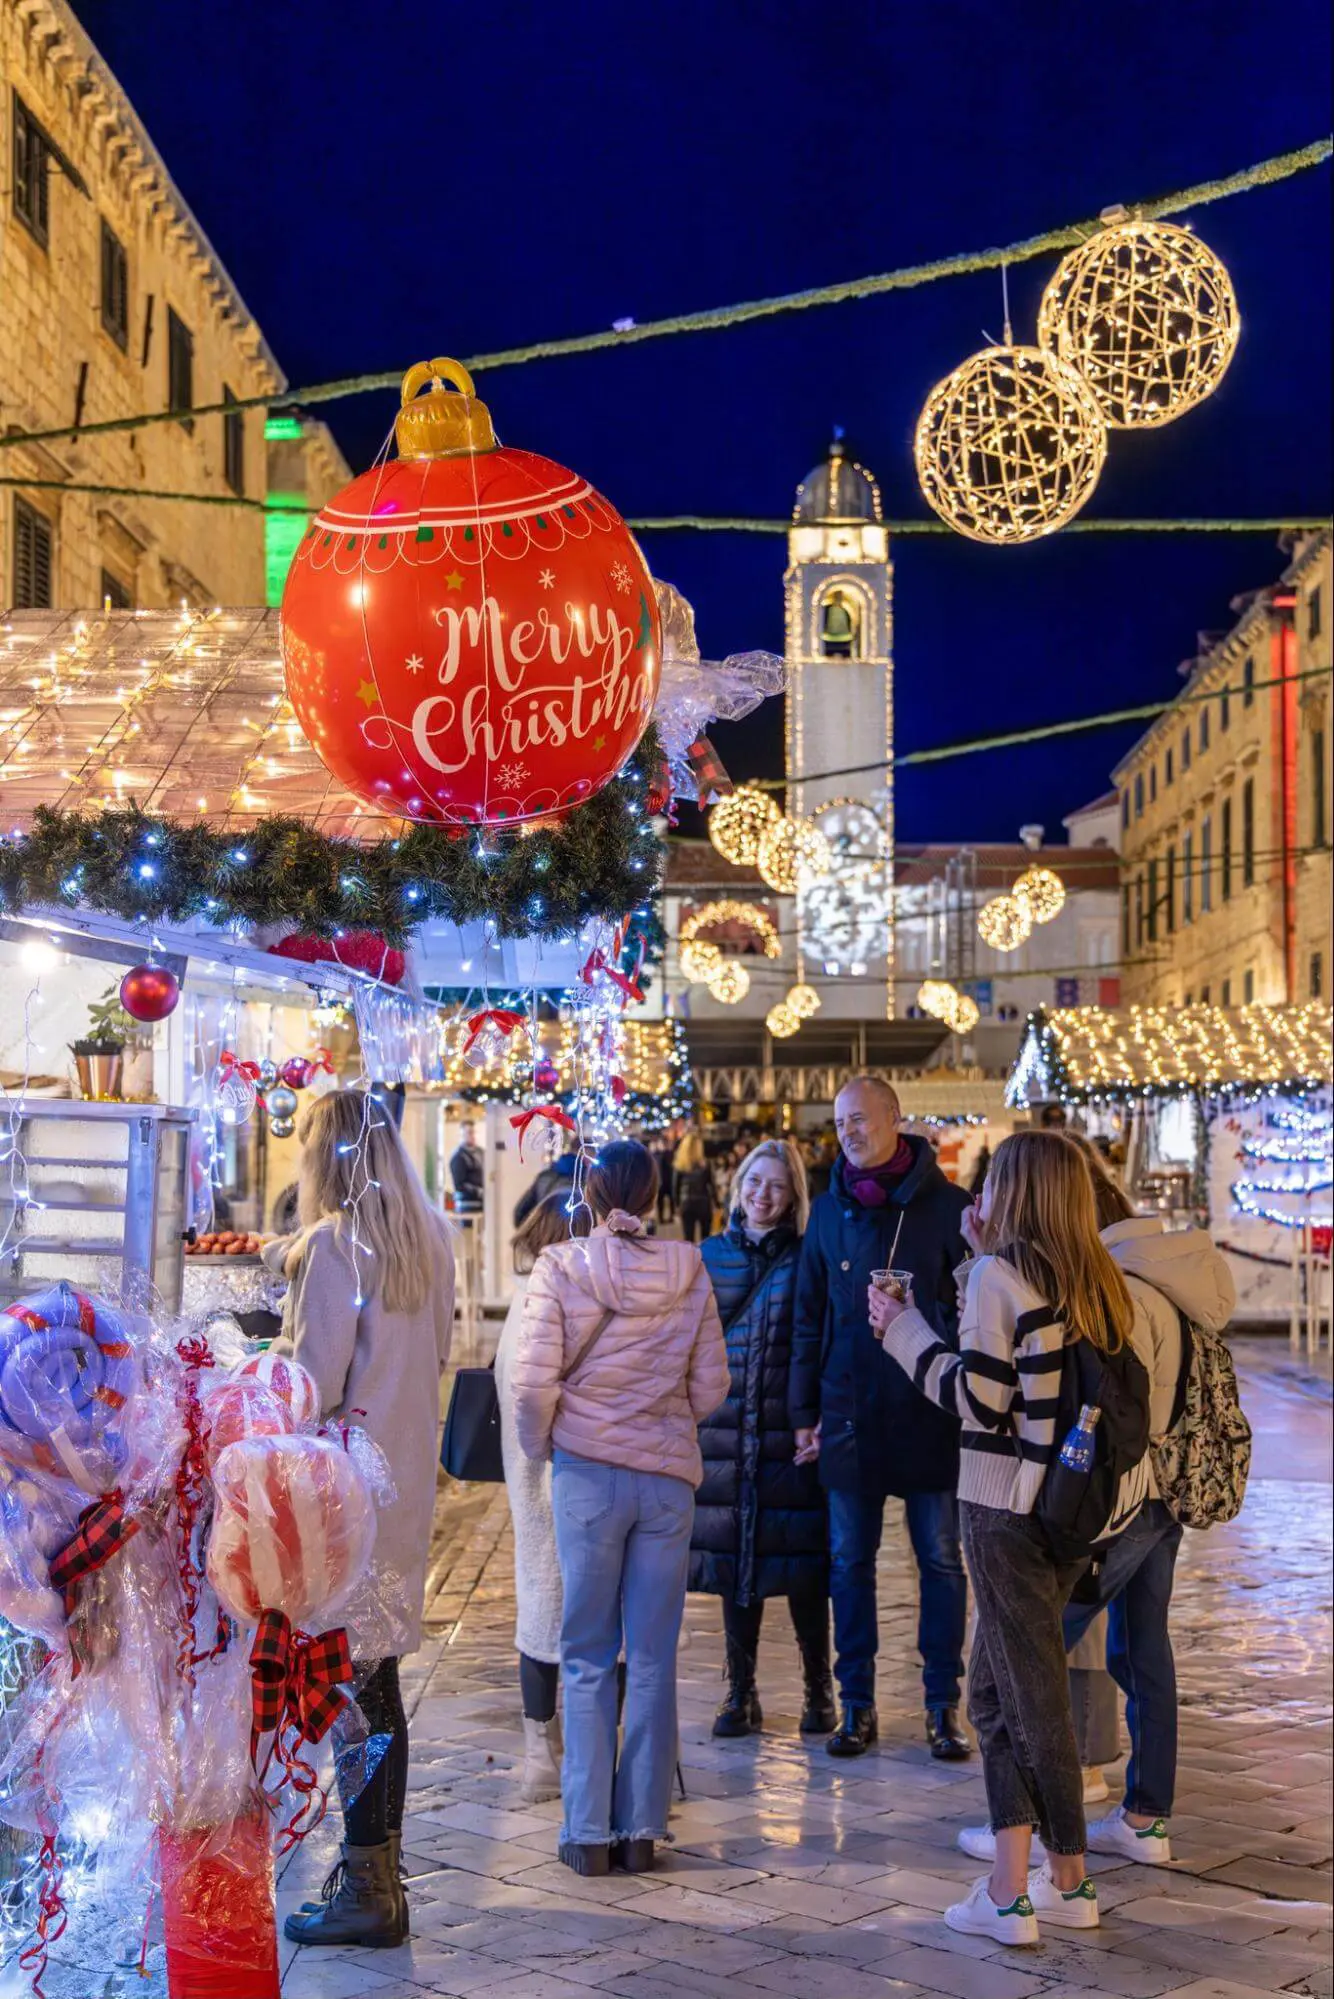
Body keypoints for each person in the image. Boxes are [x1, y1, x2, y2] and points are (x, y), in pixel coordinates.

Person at [872, 1129, 1132, 1946]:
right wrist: (970, 1270)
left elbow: (981, 1398)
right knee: (995, 1693)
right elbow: (1037, 1379)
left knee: (1028, 1698)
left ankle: (1062, 1880)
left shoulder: (1000, 1276)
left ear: (1015, 1189)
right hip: (1066, 1513)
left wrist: (903, 1330)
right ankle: (1014, 1883)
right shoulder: (1091, 1279)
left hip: (1001, 1506)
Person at [268, 1090, 455, 1950]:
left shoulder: (337, 1246)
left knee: (354, 1690)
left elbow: (312, 1381)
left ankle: (370, 1887)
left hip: (343, 1492)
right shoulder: (428, 1242)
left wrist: (261, 1360)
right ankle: (378, 1877)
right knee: (376, 1687)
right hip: (404, 1484)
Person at [512, 1140, 728, 1877]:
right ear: (658, 1192)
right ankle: (641, 1827)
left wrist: (546, 1445)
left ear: (592, 1195)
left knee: (586, 1656)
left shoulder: (560, 1267)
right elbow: (711, 1387)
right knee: (655, 1657)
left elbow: (532, 1384)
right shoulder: (690, 1267)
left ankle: (586, 1831)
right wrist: (659, 1412)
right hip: (666, 1479)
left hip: (589, 1478)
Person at [789, 1076, 971, 1759]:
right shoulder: (829, 1213)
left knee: (942, 1561)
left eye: (861, 1118)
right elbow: (809, 1316)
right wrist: (801, 1411)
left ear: (896, 1118)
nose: (849, 1131)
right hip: (848, 1415)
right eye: (840, 1121)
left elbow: (972, 1311)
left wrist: (922, 1324)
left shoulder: (948, 1208)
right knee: (848, 1565)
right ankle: (856, 1705)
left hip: (931, 1412)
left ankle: (942, 1706)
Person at [690, 1140, 835, 1741]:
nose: (762, 1194)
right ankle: (740, 1690)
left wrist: (822, 1417)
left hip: (788, 1433)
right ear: (738, 1184)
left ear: (793, 1194)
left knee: (804, 1567)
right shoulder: (707, 1257)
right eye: (754, 1180)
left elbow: (824, 1344)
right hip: (724, 1432)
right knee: (736, 1566)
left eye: (776, 1185)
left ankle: (817, 1688)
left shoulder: (809, 1259)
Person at [494, 1193, 592, 1804]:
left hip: (536, 1473)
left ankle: (543, 1752)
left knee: (544, 1601)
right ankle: (560, 1751)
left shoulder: (528, 1296)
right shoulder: (557, 1296)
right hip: (562, 1471)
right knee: (577, 1607)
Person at [514, 1143, 578, 1229]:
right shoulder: (584, 1180)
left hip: (544, 1234)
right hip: (574, 1237)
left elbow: (520, 1212)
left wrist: (531, 1233)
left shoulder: (544, 1177)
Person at [673, 1130, 714, 1245]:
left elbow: (675, 1187)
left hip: (686, 1203)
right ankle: (705, 1261)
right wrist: (717, 1203)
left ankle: (691, 1261)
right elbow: (711, 1185)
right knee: (706, 1238)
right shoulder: (706, 1164)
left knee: (688, 1239)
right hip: (703, 1202)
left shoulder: (680, 1164)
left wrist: (676, 1206)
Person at [450, 1121, 485, 1212]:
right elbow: (459, 1185)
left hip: (483, 1203)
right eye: (469, 1132)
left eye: (473, 1132)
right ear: (462, 1135)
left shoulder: (481, 1152)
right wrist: (479, 1191)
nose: (472, 1135)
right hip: (467, 1205)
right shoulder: (458, 1157)